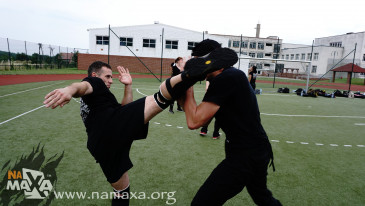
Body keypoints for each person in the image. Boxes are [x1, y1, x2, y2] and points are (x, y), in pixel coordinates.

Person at [43, 58, 228, 206]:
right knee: (160, 98)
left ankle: (185, 75)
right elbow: (81, 86)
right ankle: (188, 75)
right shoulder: (94, 83)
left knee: (121, 190)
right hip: (111, 129)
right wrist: (69, 89)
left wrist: (128, 86)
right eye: (107, 76)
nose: (109, 81)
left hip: (102, 146)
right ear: (94, 75)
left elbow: (126, 109)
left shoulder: (99, 100)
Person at [180, 42, 282, 205]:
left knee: (202, 203)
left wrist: (186, 82)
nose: (198, 68)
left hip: (245, 155)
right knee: (262, 197)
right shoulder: (228, 76)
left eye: (199, 62)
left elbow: (194, 121)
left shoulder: (228, 78)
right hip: (253, 150)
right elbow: (203, 118)